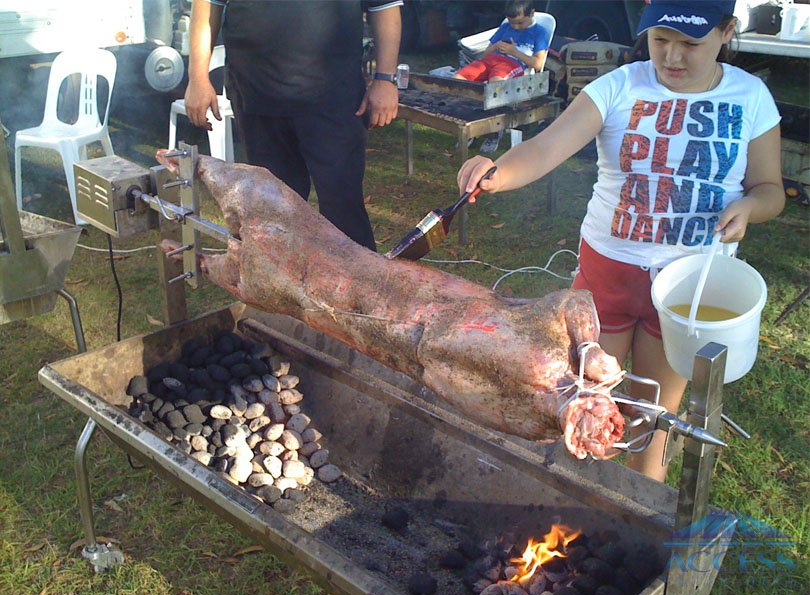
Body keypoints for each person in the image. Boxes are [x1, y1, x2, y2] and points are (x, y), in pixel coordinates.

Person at [456, 0, 784, 481]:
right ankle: (566, 510)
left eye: (690, 44)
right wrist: (497, 173)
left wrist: (751, 208)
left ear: (727, 31)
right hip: (608, 272)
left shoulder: (750, 97)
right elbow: (548, 146)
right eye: (659, 41)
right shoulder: (618, 85)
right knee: (581, 402)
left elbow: (770, 190)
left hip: (686, 291)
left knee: (652, 416)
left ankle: (637, 511)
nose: (672, 57)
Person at [184, 0, 403, 251]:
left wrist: (386, 79)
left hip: (334, 100)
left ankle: (358, 287)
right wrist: (197, 77)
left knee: (343, 210)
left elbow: (384, 7)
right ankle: (280, 287)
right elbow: (206, 5)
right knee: (272, 211)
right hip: (256, 98)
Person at [454, 0, 550, 82]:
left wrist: (514, 52)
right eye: (512, 23)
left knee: (496, 82)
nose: (515, 27)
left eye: (520, 23)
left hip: (512, 64)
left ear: (532, 13)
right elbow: (486, 54)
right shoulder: (506, 27)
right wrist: (495, 46)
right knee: (458, 78)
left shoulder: (539, 32)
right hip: (491, 59)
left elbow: (538, 64)